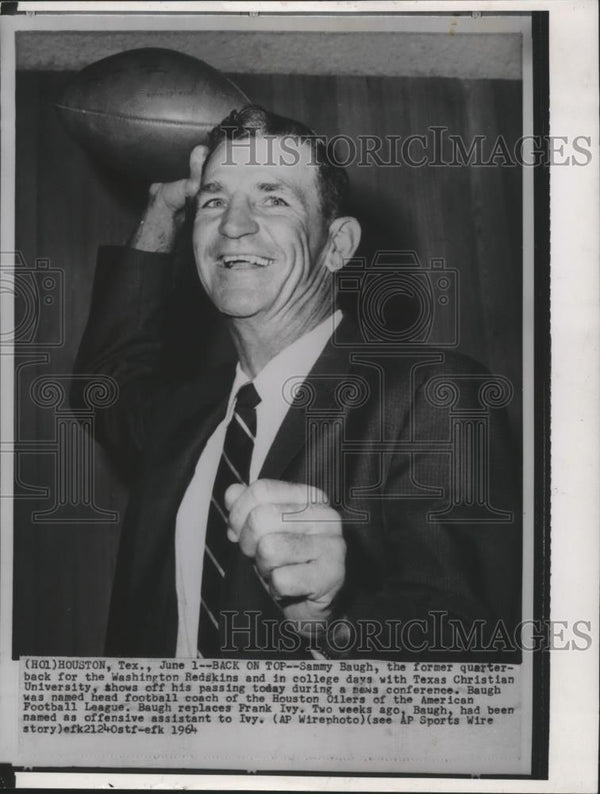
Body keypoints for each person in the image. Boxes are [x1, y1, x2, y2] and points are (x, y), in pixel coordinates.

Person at [73, 105, 521, 660]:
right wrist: (163, 209)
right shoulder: (188, 412)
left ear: (337, 245)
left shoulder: (435, 392)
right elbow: (104, 384)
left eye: (273, 198)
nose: (233, 223)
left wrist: (332, 619)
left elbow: (471, 632)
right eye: (214, 200)